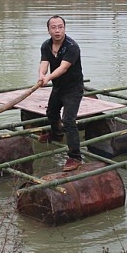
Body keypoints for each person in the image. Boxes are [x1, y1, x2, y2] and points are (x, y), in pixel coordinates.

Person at [37, 15, 84, 172]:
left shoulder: (72, 47)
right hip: (58, 87)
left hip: (73, 88)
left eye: (60, 27)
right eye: (53, 27)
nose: (57, 30)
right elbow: (44, 63)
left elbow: (63, 68)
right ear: (48, 30)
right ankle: (56, 134)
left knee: (69, 121)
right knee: (51, 112)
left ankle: (75, 157)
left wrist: (48, 77)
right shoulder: (46, 45)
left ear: (64, 28)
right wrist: (41, 76)